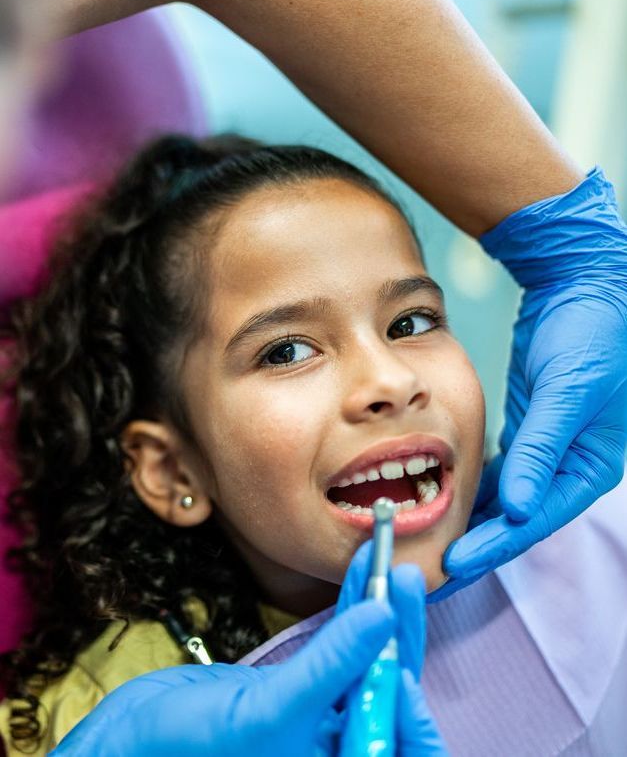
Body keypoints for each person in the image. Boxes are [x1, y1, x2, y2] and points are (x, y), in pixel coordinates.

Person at [2, 134, 626, 756]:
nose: (392, 380)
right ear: (173, 472)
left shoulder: (590, 560)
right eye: (288, 351)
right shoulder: (111, 710)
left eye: (410, 322)